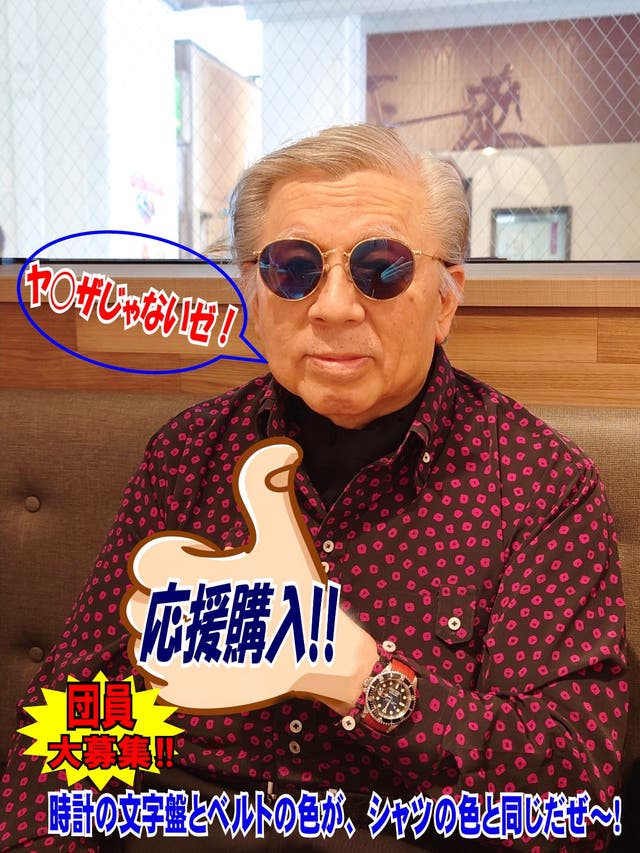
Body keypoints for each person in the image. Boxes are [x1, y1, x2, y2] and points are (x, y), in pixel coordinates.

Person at [0, 124, 627, 852]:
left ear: (446, 299)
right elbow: (71, 723)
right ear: (252, 293)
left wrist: (355, 672)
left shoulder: (539, 484)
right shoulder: (186, 456)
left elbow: (573, 804)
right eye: (293, 269)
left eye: (381, 269)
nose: (332, 307)